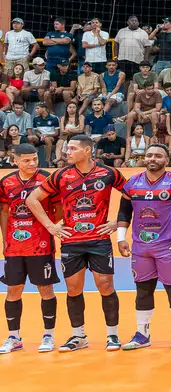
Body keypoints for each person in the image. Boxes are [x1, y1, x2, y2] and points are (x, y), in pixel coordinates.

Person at [27, 135, 126, 352]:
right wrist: (51, 226)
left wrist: (118, 223)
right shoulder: (61, 175)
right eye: (67, 148)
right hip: (71, 241)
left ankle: (113, 335)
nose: (67, 152)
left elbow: (132, 196)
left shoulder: (109, 173)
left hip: (99, 240)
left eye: (72, 148)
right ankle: (79, 336)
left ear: (87, 150)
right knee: (73, 289)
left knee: (105, 285)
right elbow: (32, 199)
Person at [114, 143, 171, 349]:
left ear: (167, 160)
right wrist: (121, 239)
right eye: (149, 155)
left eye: (158, 156)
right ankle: (142, 334)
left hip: (169, 246)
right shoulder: (132, 182)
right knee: (142, 291)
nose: (152, 159)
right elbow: (124, 212)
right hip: (141, 248)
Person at [0, 144, 57, 354]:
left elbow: (59, 208)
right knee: (13, 290)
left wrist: (47, 226)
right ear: (15, 160)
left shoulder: (47, 179)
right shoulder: (6, 182)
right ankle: (14, 337)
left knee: (45, 289)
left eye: (35, 159)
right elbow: (4, 211)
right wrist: (5, 239)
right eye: (26, 160)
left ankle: (49, 335)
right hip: (15, 246)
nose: (32, 163)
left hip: (41, 245)